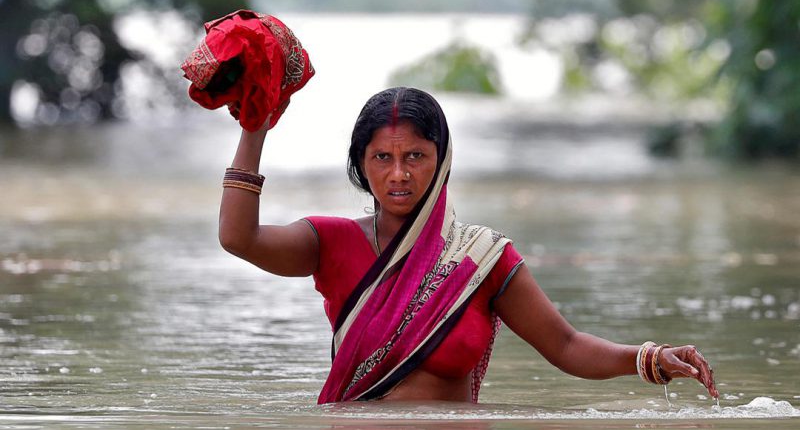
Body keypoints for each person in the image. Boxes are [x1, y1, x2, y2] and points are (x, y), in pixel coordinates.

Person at [218, 87, 719, 404]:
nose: (399, 174)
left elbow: (565, 346)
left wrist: (648, 357)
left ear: (443, 160)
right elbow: (238, 238)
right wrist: (254, 128)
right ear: (360, 165)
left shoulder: (482, 258)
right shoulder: (330, 241)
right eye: (382, 157)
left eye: (415, 155)